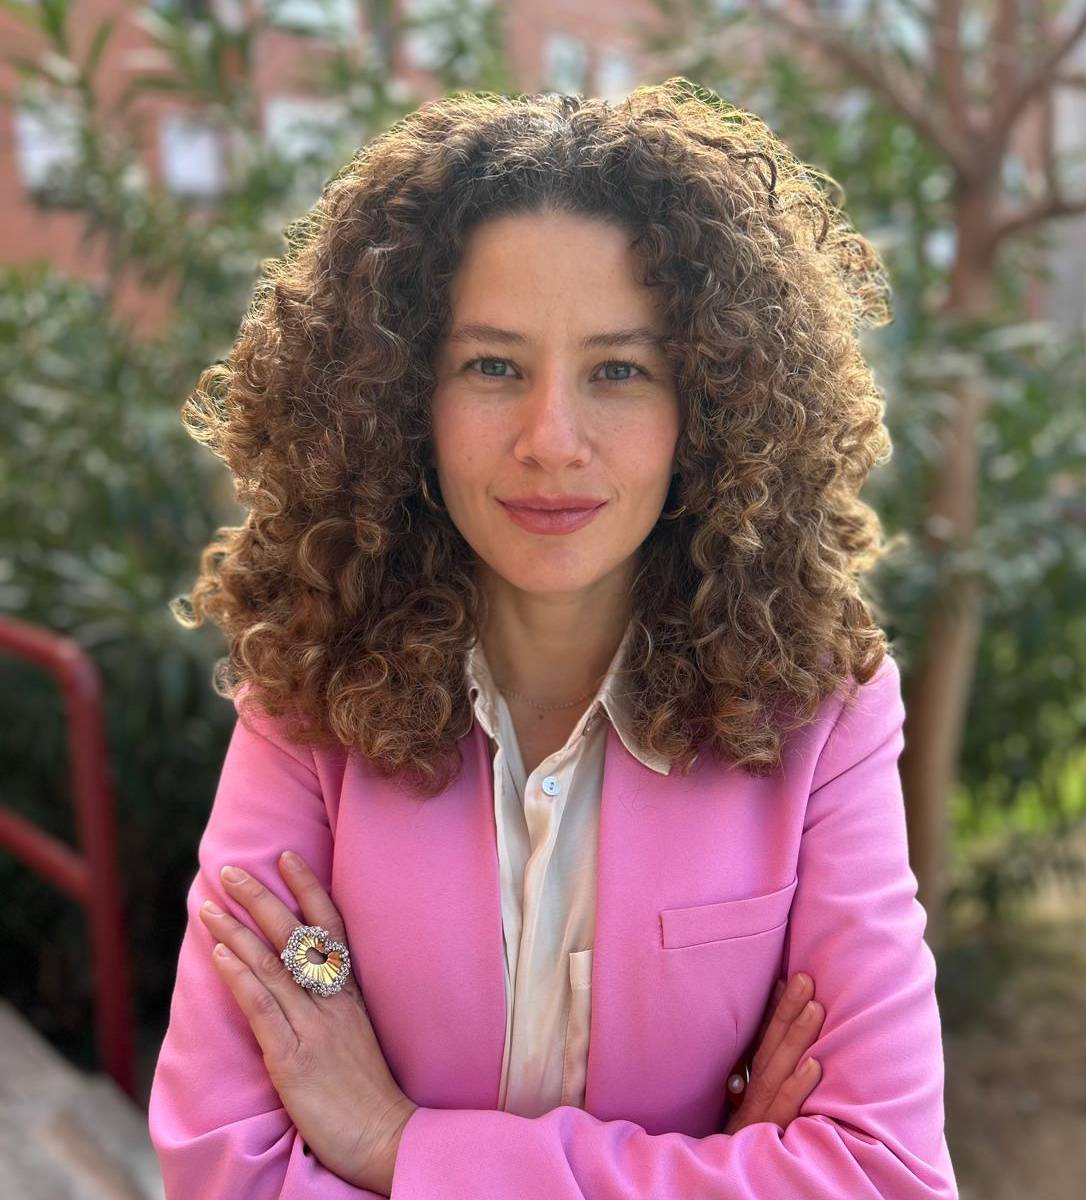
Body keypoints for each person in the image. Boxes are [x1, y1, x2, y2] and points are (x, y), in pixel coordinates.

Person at [148, 79, 958, 1198]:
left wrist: (392, 1145)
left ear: (709, 408)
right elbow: (223, 1168)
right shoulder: (309, 694)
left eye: (619, 371)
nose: (552, 439)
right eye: (493, 366)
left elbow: (883, 1175)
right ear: (403, 398)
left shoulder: (823, 718)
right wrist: (723, 1170)